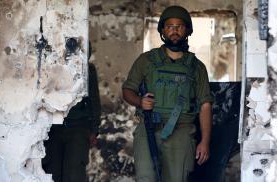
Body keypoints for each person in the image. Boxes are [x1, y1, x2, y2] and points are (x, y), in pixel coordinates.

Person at [122, 5, 213, 182]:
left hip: (182, 133)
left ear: (187, 30)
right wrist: (140, 102)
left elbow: (205, 105)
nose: (174, 31)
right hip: (149, 128)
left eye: (179, 26)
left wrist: (205, 142)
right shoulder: (146, 60)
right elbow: (127, 90)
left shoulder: (197, 67)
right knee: (146, 178)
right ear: (163, 30)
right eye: (170, 26)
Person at [42, 42, 101, 182]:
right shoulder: (52, 68)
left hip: (78, 128)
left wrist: (94, 129)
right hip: (53, 128)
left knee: (74, 174)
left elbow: (94, 100)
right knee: (52, 172)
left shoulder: (88, 70)